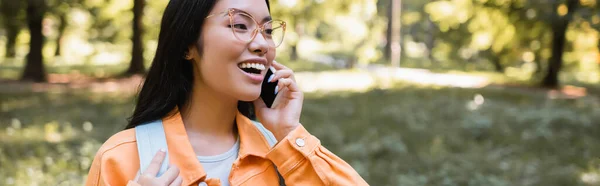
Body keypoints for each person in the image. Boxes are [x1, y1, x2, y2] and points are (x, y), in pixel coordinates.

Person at [85, 0, 368, 185]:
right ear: (187, 45)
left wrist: (290, 132)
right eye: (239, 25)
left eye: (267, 30)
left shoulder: (280, 152)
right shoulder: (120, 157)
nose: (262, 44)